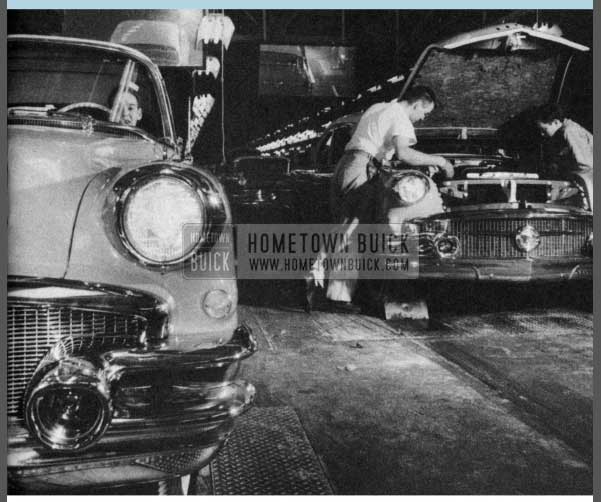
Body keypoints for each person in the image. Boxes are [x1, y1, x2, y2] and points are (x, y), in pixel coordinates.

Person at [307, 85, 454, 312]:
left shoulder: (378, 108)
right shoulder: (401, 118)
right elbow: (405, 153)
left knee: (347, 229)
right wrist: (441, 161)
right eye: (424, 113)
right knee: (350, 232)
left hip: (347, 165)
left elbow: (373, 144)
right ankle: (326, 286)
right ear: (416, 105)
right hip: (362, 169)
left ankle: (330, 292)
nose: (422, 118)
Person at [534, 103, 593, 175]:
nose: (541, 134)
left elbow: (585, 166)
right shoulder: (560, 133)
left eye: (544, 129)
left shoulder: (569, 131)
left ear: (555, 122)